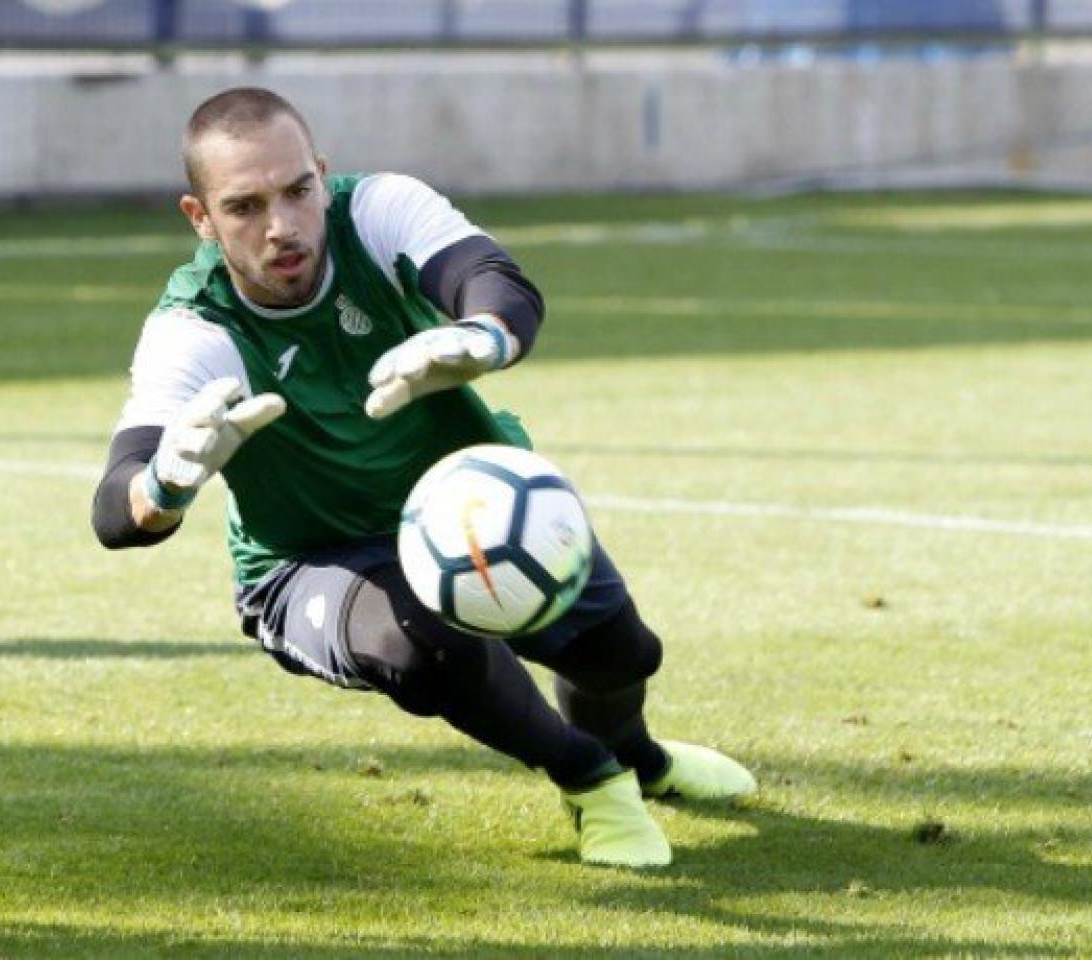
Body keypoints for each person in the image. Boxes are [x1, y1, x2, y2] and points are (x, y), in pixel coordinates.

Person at [91, 87, 754, 868]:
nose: (282, 227)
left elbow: (496, 282)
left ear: (322, 175)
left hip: (462, 508)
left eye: (298, 191)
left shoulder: (376, 211)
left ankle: (642, 762)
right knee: (421, 648)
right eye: (243, 207)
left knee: (621, 655)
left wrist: (482, 337)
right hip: (311, 561)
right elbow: (115, 509)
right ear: (199, 218)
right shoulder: (195, 329)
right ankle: (592, 780)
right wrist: (165, 481)